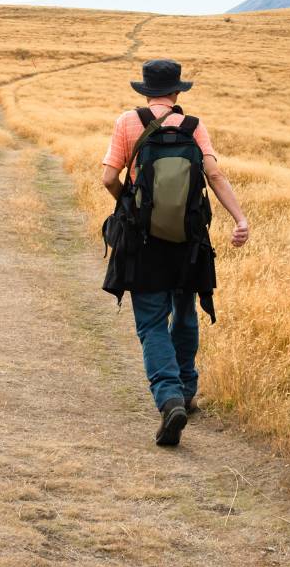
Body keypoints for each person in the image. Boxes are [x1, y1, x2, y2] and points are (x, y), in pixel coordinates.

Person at [100, 59, 250, 447]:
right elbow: (214, 175)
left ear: (145, 91)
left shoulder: (128, 122)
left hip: (144, 244)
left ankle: (168, 398)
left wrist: (129, 206)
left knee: (152, 322)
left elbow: (108, 178)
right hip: (189, 241)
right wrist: (239, 219)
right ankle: (185, 390)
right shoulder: (194, 127)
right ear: (178, 91)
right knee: (185, 312)